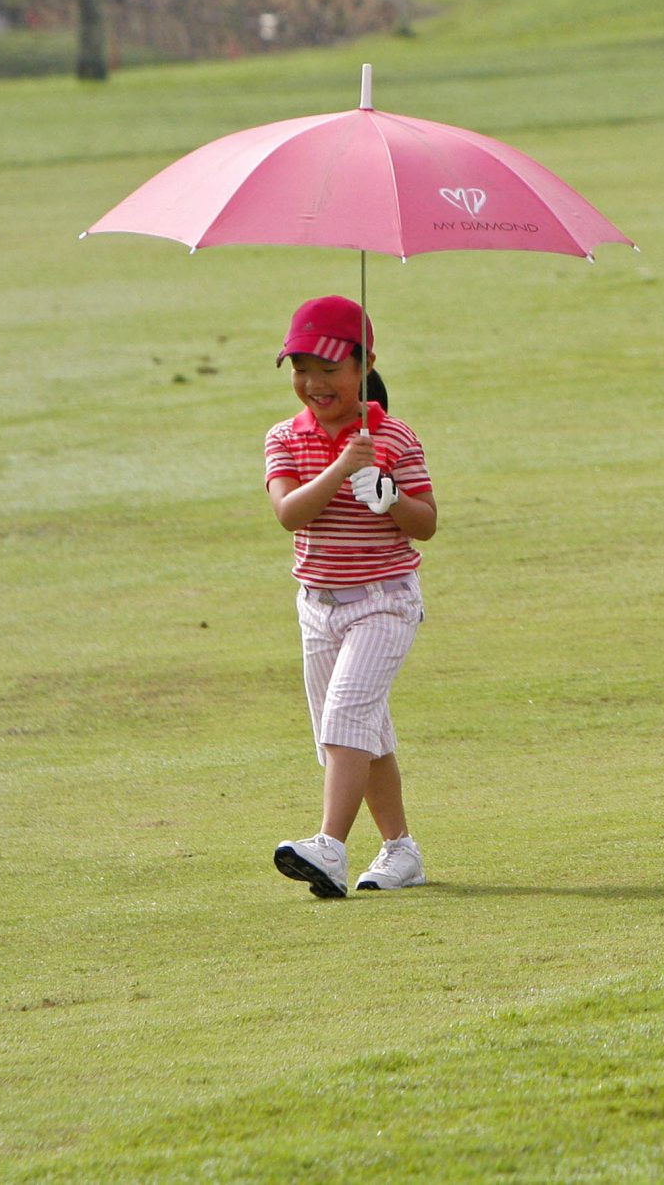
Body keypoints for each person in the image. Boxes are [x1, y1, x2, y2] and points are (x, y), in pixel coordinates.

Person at [262, 297, 439, 896]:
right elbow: (290, 512)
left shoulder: (395, 437)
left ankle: (330, 848)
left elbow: (426, 524)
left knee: (346, 719)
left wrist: (389, 496)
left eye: (330, 368)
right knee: (361, 731)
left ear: (365, 366)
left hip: (384, 601)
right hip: (318, 606)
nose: (313, 383)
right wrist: (342, 469)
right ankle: (401, 852)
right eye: (301, 368)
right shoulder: (284, 437)